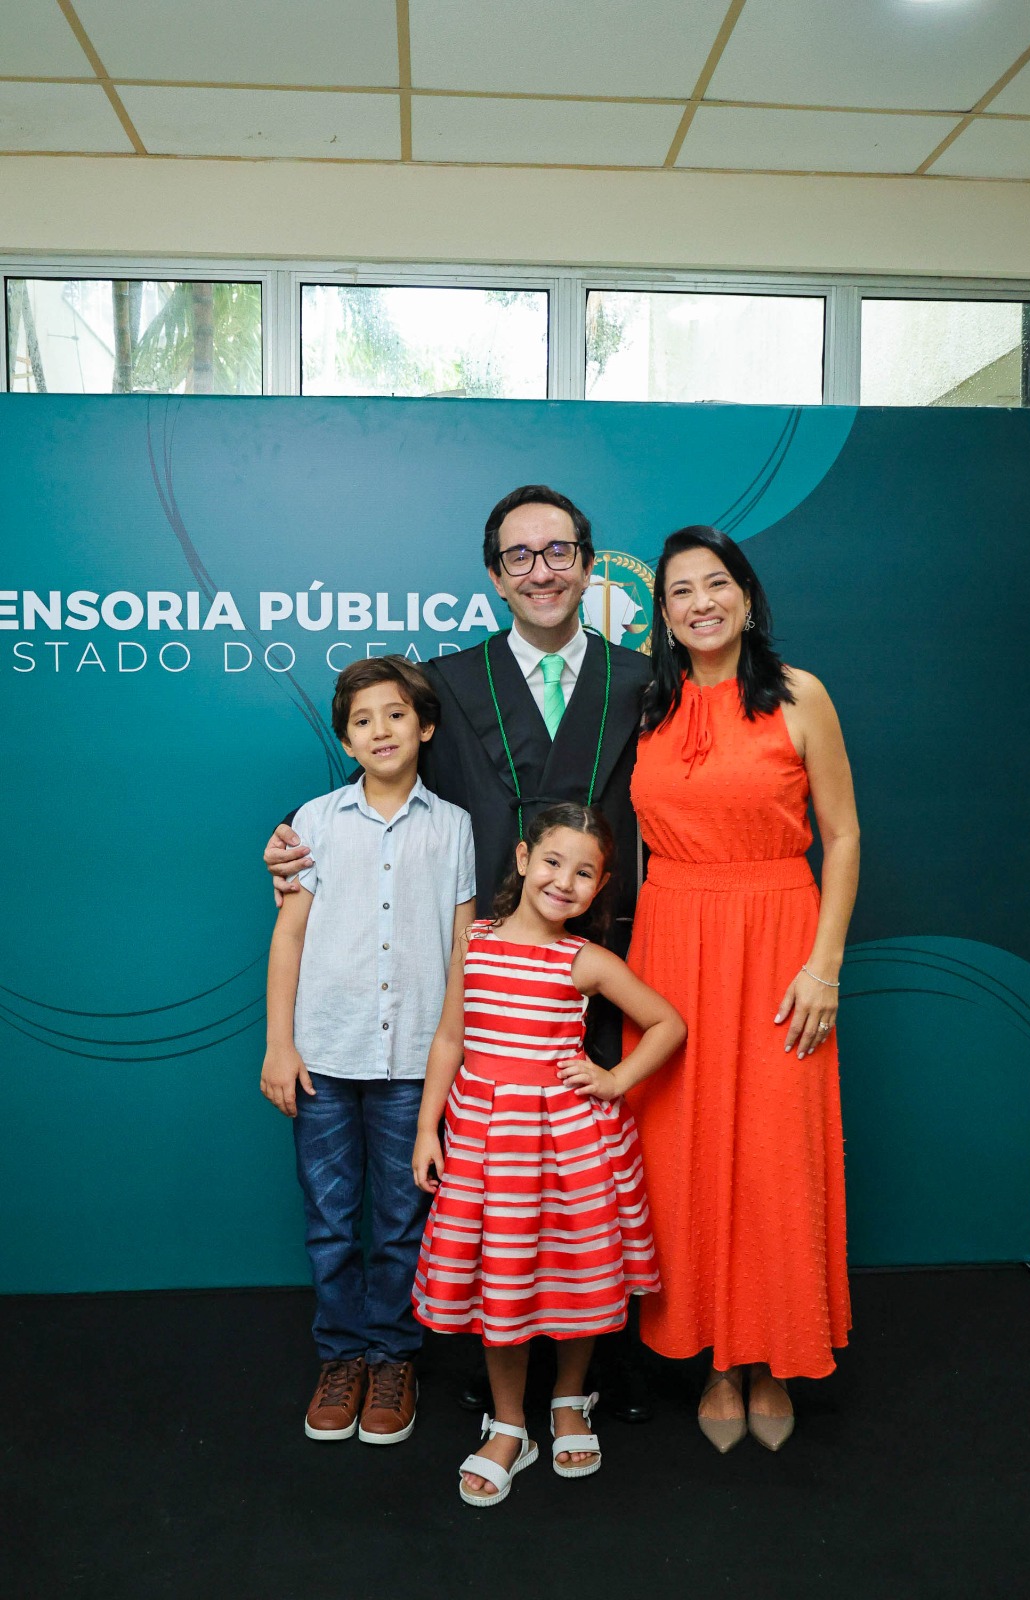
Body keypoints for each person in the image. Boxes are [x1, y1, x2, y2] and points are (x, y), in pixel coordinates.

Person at [263, 485, 655, 1419]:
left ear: (588, 564)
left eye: (558, 551)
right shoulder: (446, 679)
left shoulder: (646, 680)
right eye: (520, 556)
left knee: (584, 1177)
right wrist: (290, 847)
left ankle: (584, 1370)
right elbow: (378, 794)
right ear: (494, 576)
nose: (541, 570)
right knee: (487, 1179)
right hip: (481, 975)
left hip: (601, 958)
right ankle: (485, 1362)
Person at [623, 526, 859, 1453]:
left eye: (716, 583)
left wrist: (824, 965)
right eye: (680, 591)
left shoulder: (801, 695)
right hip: (673, 944)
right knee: (682, 1149)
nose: (701, 603)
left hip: (778, 942)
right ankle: (715, 1358)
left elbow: (842, 836)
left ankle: (772, 1354)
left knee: (773, 1148)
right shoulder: (648, 706)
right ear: (664, 614)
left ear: (748, 597)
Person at [410, 804, 685, 1506]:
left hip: (568, 1148)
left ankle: (568, 1399)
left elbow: (667, 1023)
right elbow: (449, 1038)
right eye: (554, 862)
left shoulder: (584, 960)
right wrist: (427, 1129)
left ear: (601, 887)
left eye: (584, 872)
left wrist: (615, 1079)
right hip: (486, 1145)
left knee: (575, 1270)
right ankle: (509, 1423)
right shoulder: (474, 941)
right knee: (499, 1278)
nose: (565, 881)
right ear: (524, 858)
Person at [260, 656, 475, 1446]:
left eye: (395, 714)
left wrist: (450, 1057)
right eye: (361, 721)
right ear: (346, 741)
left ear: (425, 726)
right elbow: (288, 936)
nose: (380, 730)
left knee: (399, 1222)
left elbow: (462, 951)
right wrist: (279, 1045)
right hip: (323, 1056)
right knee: (329, 1219)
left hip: (411, 1063)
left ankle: (392, 1358)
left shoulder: (455, 828)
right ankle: (341, 1356)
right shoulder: (315, 823)